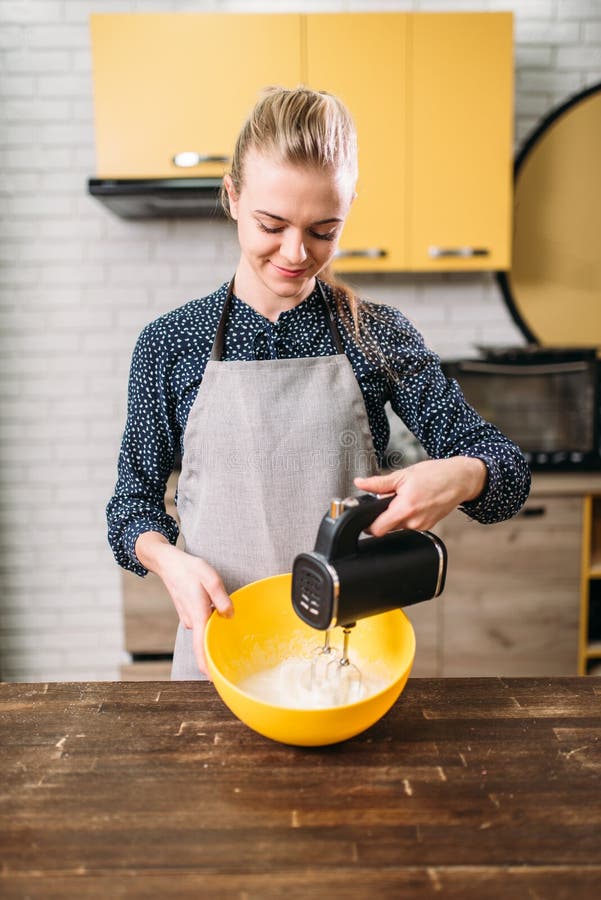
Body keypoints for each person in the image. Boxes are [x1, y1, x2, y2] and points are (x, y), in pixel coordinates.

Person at [106, 86, 530, 680]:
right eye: (271, 224)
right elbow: (131, 506)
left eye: (323, 230)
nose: (295, 252)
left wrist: (461, 474)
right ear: (232, 196)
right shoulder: (170, 344)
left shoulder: (375, 333)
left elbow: (507, 472)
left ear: (350, 208)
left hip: (348, 662)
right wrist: (167, 559)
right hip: (220, 659)